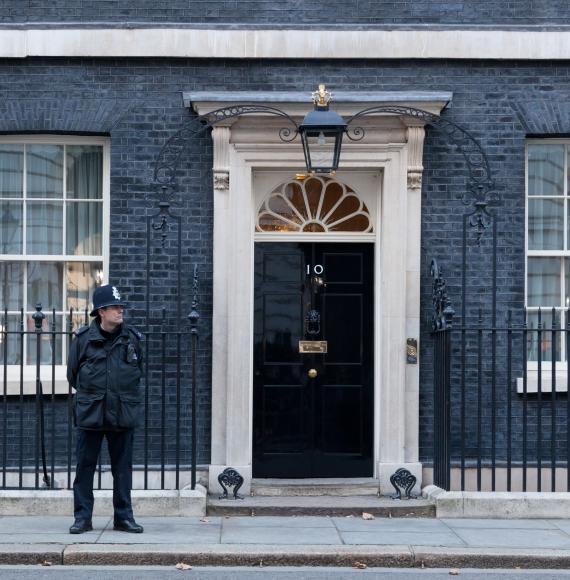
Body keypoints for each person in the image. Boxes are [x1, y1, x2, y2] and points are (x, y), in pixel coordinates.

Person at [67, 284, 144, 534]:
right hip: (91, 414)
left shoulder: (132, 338)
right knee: (84, 468)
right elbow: (72, 375)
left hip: (122, 413)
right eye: (115, 307)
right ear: (101, 311)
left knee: (122, 469)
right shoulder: (83, 341)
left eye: (121, 306)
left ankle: (124, 517)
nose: (121, 310)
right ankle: (82, 518)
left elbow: (139, 370)